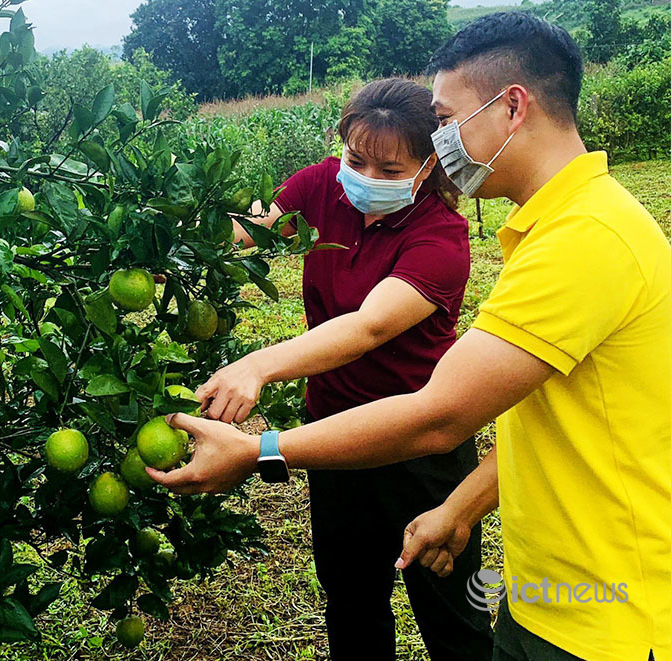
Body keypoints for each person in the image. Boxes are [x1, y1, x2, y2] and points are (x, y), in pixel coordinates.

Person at [148, 13, 671, 661]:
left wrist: (260, 449)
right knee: (354, 604)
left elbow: (436, 411)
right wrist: (155, 241)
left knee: (454, 626)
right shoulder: (562, 227)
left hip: (606, 617)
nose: (444, 138)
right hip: (555, 602)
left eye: (448, 119)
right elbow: (556, 418)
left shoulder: (582, 240)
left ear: (511, 107)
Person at [197, 78, 492, 660]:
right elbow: (249, 233)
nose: (367, 178)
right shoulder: (321, 187)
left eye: (390, 169)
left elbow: (369, 326)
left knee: (452, 616)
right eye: (357, 160)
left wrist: (257, 366)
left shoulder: (442, 238)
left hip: (418, 446)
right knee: (351, 603)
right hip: (332, 436)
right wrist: (168, 250)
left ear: (429, 165)